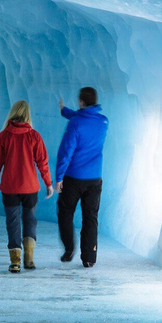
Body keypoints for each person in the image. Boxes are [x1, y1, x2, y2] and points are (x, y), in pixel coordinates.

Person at [0, 100, 54, 273]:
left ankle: (15, 261)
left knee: (13, 222)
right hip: (30, 187)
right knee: (30, 221)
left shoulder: (4, 136)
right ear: (27, 115)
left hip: (9, 187)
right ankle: (29, 259)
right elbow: (43, 162)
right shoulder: (34, 136)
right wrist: (48, 183)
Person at [55, 87, 109, 267]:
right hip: (95, 179)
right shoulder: (103, 122)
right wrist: (65, 111)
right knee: (90, 217)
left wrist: (59, 177)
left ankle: (69, 248)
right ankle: (89, 258)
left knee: (65, 212)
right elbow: (84, 120)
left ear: (80, 102)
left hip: (73, 178)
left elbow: (66, 152)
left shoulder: (76, 123)